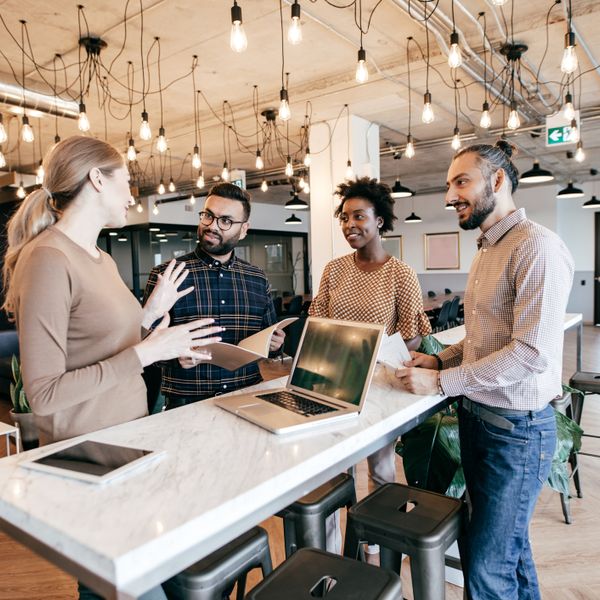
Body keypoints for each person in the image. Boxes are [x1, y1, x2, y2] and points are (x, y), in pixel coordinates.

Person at [2, 136, 222, 600]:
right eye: (126, 181)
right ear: (96, 179)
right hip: (89, 457)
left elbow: (100, 344)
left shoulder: (98, 257)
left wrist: (154, 332)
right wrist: (146, 352)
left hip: (128, 441)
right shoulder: (47, 259)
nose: (131, 196)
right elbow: (43, 393)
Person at [396, 141, 574, 600]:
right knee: (506, 554)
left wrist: (439, 381)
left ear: (497, 181)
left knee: (487, 567)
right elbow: (480, 342)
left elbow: (529, 354)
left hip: (516, 435)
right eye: (448, 184)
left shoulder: (537, 247)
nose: (449, 195)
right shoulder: (487, 248)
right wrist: (439, 359)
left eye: (461, 182)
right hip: (483, 426)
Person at [309, 176, 432, 552]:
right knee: (334, 471)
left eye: (359, 216)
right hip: (333, 382)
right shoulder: (334, 269)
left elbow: (413, 336)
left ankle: (375, 539)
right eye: (344, 218)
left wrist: (372, 350)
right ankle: (330, 551)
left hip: (380, 384)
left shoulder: (401, 274)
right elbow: (318, 322)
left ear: (380, 221)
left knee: (380, 469)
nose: (350, 225)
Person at [144, 182, 284, 408]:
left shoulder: (257, 278)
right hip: (186, 405)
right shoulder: (166, 275)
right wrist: (176, 357)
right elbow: (143, 344)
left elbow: (267, 339)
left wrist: (275, 344)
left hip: (247, 397)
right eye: (208, 216)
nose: (212, 226)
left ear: (244, 229)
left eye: (226, 221)